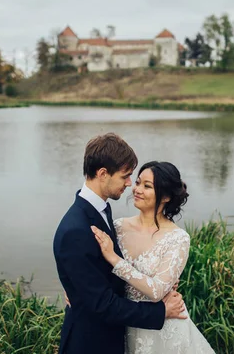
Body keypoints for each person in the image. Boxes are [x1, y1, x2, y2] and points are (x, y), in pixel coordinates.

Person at [53, 133, 187, 354]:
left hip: (115, 336)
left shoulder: (102, 211)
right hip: (90, 344)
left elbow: (100, 273)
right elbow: (102, 304)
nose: (130, 185)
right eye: (126, 177)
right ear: (103, 174)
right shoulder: (75, 229)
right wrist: (160, 311)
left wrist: (160, 281)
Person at [90, 161, 215, 353]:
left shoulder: (177, 239)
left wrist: (115, 259)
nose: (137, 189)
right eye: (138, 182)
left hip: (163, 329)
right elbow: (93, 266)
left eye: (147, 186)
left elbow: (157, 290)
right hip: (126, 322)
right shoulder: (118, 227)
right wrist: (75, 290)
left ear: (165, 196)